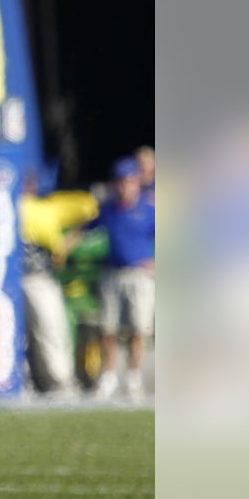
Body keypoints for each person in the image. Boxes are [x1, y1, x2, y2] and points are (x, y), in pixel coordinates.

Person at [19, 174, 98, 395]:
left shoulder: (44, 207)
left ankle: (54, 382)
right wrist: (63, 245)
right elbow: (90, 207)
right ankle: (47, 382)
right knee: (41, 332)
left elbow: (90, 208)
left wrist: (66, 243)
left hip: (39, 278)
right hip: (21, 279)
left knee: (48, 330)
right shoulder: (33, 207)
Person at [92, 157, 155, 400]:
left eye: (128, 182)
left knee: (139, 328)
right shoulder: (108, 209)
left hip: (139, 274)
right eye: (120, 182)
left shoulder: (148, 210)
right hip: (112, 273)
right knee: (109, 328)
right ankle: (109, 375)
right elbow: (87, 226)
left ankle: (133, 376)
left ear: (136, 183)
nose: (124, 187)